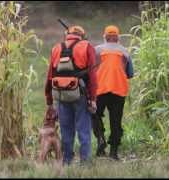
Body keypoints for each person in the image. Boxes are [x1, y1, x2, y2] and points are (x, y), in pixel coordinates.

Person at [45, 25, 97, 165]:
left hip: (61, 95)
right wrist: (93, 99)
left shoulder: (56, 48)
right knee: (84, 130)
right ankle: (85, 163)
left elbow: (50, 76)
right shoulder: (87, 46)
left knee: (66, 130)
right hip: (80, 94)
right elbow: (92, 75)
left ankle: (67, 161)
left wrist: (49, 100)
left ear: (67, 34)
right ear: (82, 35)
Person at [93, 25, 134, 160]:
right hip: (118, 90)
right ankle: (114, 153)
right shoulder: (125, 52)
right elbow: (130, 74)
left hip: (100, 89)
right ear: (118, 38)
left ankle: (100, 138)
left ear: (104, 37)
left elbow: (91, 70)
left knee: (94, 115)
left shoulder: (97, 50)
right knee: (116, 122)